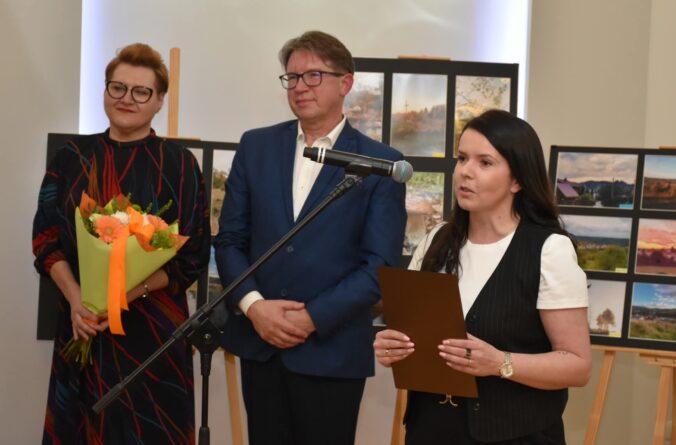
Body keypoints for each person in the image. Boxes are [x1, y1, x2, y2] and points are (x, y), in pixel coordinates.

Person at [214, 30, 406, 445]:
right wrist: (254, 306)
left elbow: (380, 266)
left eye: (314, 75)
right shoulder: (256, 146)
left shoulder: (380, 163)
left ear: (346, 82)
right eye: (292, 77)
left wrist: (311, 318)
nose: (300, 86)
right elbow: (229, 239)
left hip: (332, 352)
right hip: (261, 344)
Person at [374, 109, 592, 444]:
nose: (465, 172)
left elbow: (577, 366)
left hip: (517, 436)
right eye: (462, 158)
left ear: (517, 180)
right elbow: (414, 334)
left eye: (485, 162)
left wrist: (501, 363)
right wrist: (393, 346)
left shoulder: (548, 250)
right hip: (430, 429)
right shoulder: (436, 240)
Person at [32, 43, 209, 444]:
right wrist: (78, 300)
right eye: (117, 87)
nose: (127, 98)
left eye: (141, 91)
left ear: (159, 100)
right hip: (82, 328)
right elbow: (45, 240)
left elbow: (192, 255)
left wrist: (120, 296)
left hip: (153, 336)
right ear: (105, 90)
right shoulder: (70, 157)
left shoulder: (181, 165)